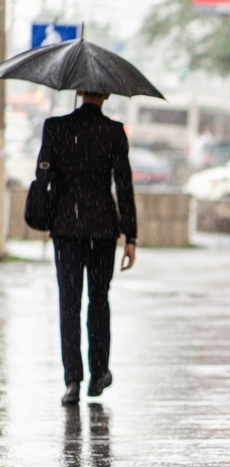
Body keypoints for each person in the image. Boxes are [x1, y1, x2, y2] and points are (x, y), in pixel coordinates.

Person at [34, 91, 138, 406]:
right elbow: (123, 185)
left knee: (69, 303)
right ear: (106, 94)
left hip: (66, 229)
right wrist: (130, 236)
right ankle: (99, 372)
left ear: (78, 91)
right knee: (98, 300)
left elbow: (43, 176)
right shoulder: (114, 132)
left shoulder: (55, 127)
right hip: (103, 230)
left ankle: (72, 381)